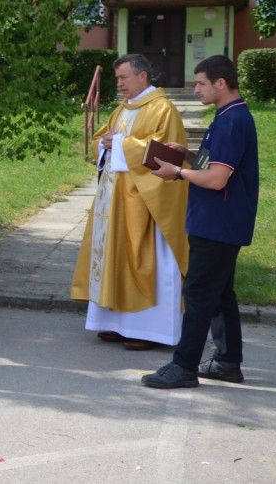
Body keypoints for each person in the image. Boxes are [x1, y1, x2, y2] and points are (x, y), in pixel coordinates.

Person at [143, 55, 259, 389]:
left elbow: (218, 179)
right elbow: (215, 165)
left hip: (217, 223)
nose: (195, 90)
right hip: (218, 221)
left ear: (221, 83)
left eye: (201, 83)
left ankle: (183, 367)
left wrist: (176, 172)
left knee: (197, 293)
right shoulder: (227, 116)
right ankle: (226, 362)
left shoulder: (232, 120)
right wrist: (186, 155)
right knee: (220, 294)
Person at [70, 54, 190, 351]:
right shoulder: (122, 109)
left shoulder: (164, 110)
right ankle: (113, 323)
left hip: (146, 204)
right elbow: (102, 139)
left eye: (124, 77)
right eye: (118, 78)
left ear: (143, 76)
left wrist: (121, 144)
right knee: (113, 258)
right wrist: (105, 144)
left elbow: (167, 158)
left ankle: (149, 331)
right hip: (114, 201)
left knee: (146, 261)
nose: (119, 83)